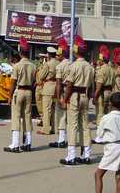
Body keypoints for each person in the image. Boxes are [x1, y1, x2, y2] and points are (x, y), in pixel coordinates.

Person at [60, 35, 95, 165]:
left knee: (72, 125)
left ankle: (71, 156)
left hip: (74, 95)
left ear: (75, 51)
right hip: (85, 95)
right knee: (85, 126)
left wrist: (65, 99)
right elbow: (92, 85)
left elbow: (69, 85)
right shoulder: (90, 67)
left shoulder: (73, 66)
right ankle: (87, 155)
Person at [94, 92, 120, 193]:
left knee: (98, 174)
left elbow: (99, 134)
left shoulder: (106, 118)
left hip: (111, 147)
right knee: (119, 174)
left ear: (110, 104)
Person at [4, 38, 36, 153]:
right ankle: (28, 143)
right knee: (27, 116)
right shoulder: (33, 66)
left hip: (19, 91)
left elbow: (13, 82)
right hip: (29, 92)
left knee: (16, 117)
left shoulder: (17, 66)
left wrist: (9, 96)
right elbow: (35, 81)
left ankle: (15, 144)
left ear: (20, 52)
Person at [49, 38, 70, 148]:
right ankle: (70, 140)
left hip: (63, 91)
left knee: (61, 116)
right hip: (73, 92)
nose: (57, 56)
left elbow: (58, 84)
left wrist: (59, 98)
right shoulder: (72, 64)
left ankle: (61, 140)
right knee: (71, 118)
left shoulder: (60, 66)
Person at [37, 46, 59, 135]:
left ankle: (46, 129)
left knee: (46, 109)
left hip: (48, 87)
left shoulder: (48, 64)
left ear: (49, 55)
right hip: (57, 87)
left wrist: (42, 68)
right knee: (55, 110)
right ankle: (55, 128)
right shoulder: (58, 63)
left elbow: (41, 76)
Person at [93, 46, 115, 126]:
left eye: (99, 60)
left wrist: (95, 97)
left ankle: (100, 135)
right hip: (110, 92)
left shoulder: (101, 69)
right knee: (108, 113)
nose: (98, 61)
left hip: (102, 93)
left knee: (100, 113)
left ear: (102, 60)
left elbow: (99, 85)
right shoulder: (112, 69)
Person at [34, 53, 47, 127]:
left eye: (41, 58)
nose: (40, 59)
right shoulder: (40, 66)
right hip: (38, 86)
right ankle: (42, 118)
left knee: (43, 104)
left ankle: (44, 119)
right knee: (38, 103)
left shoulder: (45, 66)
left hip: (43, 86)